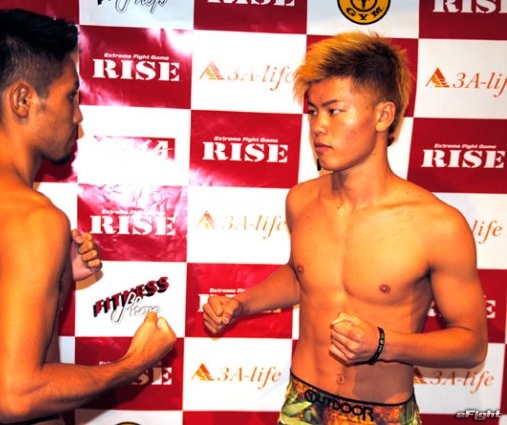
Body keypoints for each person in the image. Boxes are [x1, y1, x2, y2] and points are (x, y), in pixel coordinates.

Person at [203, 31, 488, 425]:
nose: (318, 126)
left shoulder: (438, 225)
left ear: (383, 116)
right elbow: (302, 275)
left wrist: (383, 344)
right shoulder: (301, 200)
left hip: (384, 415)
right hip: (301, 406)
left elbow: (472, 345)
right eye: (313, 111)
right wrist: (242, 303)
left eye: (334, 111)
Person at [0, 8, 176, 425]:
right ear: (22, 99)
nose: (78, 116)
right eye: (70, 96)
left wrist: (58, 277)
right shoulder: (32, 219)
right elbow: (14, 397)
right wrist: (133, 363)